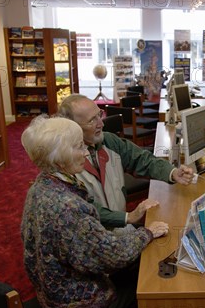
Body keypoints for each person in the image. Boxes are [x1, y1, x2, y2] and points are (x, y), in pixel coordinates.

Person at [20, 115, 169, 308]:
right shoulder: (67, 206)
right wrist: (147, 233)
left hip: (52, 288)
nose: (85, 153)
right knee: (149, 287)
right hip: (76, 303)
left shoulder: (41, 185)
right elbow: (113, 256)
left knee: (140, 262)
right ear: (61, 159)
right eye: (79, 147)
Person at [58, 94, 194, 228]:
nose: (101, 123)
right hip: (94, 236)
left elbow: (141, 159)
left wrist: (172, 172)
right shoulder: (63, 162)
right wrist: (128, 217)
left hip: (122, 227)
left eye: (99, 115)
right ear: (72, 128)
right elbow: (84, 209)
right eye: (92, 120)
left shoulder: (109, 141)